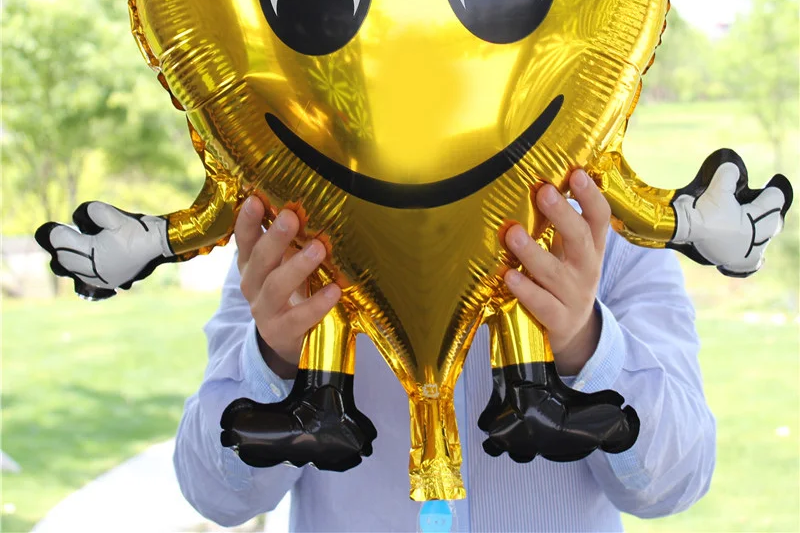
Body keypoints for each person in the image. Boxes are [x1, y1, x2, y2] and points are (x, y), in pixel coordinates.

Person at [173, 170, 715, 532]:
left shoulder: (611, 235)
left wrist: (583, 343)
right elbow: (217, 495)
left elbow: (673, 481)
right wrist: (276, 360)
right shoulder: (285, 244)